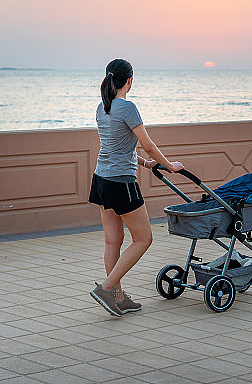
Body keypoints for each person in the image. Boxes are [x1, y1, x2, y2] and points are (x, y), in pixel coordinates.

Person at [88, 58, 184, 316]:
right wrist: (168, 165)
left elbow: (116, 146)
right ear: (129, 81)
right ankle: (106, 288)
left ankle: (118, 298)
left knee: (113, 240)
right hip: (121, 183)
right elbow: (147, 143)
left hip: (101, 180)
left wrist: (145, 163)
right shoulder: (128, 108)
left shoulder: (102, 108)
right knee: (144, 238)